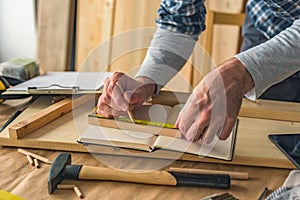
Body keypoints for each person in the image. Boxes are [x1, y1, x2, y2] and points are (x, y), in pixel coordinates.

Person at [97, 0, 300, 143]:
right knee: (263, 145)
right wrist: (147, 77)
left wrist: (241, 72)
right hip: (268, 25)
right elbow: (179, 20)